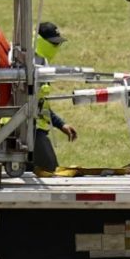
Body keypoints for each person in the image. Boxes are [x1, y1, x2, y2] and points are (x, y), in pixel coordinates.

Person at [31, 22, 77, 173]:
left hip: (29, 130)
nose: (56, 48)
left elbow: (40, 104)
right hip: (30, 132)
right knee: (52, 174)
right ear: (40, 41)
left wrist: (60, 124)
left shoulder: (40, 62)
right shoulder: (34, 63)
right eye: (53, 44)